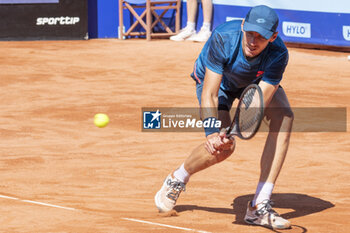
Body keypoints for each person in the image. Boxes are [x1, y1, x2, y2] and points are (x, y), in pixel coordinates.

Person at [155, 5, 294, 230]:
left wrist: (244, 121)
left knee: (285, 116)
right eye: (250, 34)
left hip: (252, 84)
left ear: (274, 37)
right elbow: (210, 92)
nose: (253, 41)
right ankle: (178, 178)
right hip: (217, 85)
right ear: (242, 27)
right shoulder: (223, 37)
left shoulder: (278, 53)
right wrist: (212, 132)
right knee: (223, 147)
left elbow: (260, 101)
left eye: (261, 37)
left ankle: (259, 205)